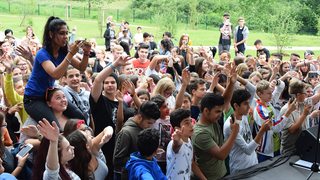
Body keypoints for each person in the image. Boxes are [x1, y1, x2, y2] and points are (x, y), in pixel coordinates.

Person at [23, 16, 88, 131]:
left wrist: (86, 52)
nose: (65, 37)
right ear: (51, 34)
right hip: (33, 99)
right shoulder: (42, 54)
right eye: (61, 33)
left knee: (80, 117)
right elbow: (56, 74)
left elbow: (82, 67)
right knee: (55, 128)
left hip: (49, 96)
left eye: (66, 33)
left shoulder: (63, 52)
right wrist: (70, 54)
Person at [89, 54, 132, 180]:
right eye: (106, 82)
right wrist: (115, 65)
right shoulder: (98, 101)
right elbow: (97, 80)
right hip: (103, 149)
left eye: (112, 82)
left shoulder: (123, 103)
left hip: (119, 149)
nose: (109, 85)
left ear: (117, 84)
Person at [191, 66, 237, 180]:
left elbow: (225, 100)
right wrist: (234, 133)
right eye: (217, 112)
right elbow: (221, 155)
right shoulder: (200, 133)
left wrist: (231, 83)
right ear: (206, 110)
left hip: (220, 174)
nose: (220, 115)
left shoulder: (210, 119)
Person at [224, 85, 272, 174]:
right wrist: (262, 131)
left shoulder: (243, 114)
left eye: (249, 103)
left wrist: (236, 76)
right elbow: (248, 150)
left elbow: (253, 89)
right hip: (240, 169)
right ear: (236, 105)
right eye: (245, 103)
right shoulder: (231, 125)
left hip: (253, 164)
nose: (249, 107)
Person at [113, 101, 160, 180]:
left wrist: (151, 152)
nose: (150, 126)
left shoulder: (143, 126)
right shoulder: (126, 132)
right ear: (139, 117)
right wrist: (143, 156)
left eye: (152, 123)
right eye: (148, 123)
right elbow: (117, 160)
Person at [253, 77, 295, 162]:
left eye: (271, 92)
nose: (271, 95)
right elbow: (276, 127)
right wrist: (288, 111)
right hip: (265, 151)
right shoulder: (259, 110)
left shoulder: (270, 103)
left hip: (275, 146)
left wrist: (276, 81)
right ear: (259, 94)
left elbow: (281, 86)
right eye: (268, 93)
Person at [280, 79, 320, 154]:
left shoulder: (303, 102)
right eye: (305, 93)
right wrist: (304, 115)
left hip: (304, 147)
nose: (306, 96)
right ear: (298, 95)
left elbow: (318, 95)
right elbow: (293, 130)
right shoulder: (286, 110)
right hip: (290, 151)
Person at [167, 108, 206, 180]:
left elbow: (192, 163)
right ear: (177, 128)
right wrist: (176, 140)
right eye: (186, 123)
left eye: (191, 121)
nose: (191, 125)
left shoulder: (188, 140)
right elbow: (176, 146)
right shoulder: (173, 143)